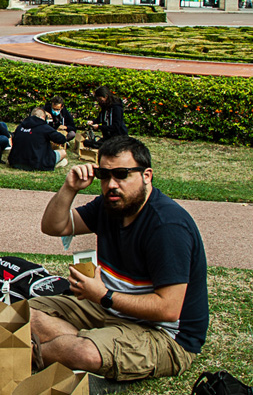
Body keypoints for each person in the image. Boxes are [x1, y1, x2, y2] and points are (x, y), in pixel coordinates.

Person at [28, 135, 208, 382]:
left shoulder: (167, 227)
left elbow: (168, 309)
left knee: (83, 352)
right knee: (24, 312)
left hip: (164, 335)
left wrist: (103, 295)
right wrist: (69, 187)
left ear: (147, 176)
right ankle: (88, 344)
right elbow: (53, 226)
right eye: (104, 175)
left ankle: (31, 352)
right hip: (111, 310)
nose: (112, 184)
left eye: (122, 174)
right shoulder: (110, 205)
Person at [7, 107, 68, 171]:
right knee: (63, 152)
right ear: (42, 117)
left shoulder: (20, 127)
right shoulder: (44, 127)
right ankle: (56, 163)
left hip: (15, 162)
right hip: (36, 163)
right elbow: (62, 139)